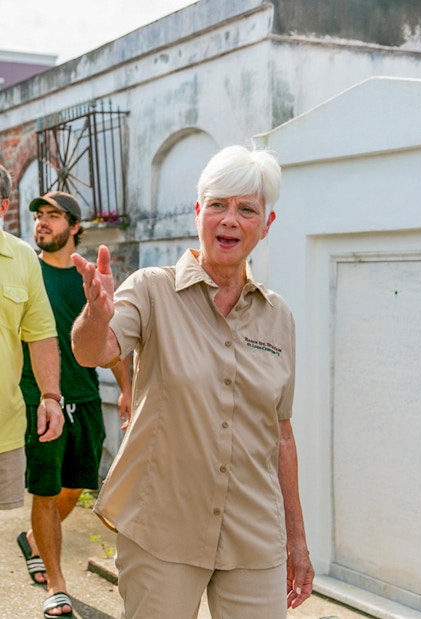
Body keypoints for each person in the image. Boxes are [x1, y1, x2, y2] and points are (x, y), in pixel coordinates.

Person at [71, 144, 315, 619]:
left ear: (266, 225)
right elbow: (93, 351)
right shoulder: (150, 290)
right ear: (198, 212)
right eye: (218, 204)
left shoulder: (278, 316)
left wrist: (298, 540)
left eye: (247, 209)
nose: (230, 219)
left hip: (254, 532)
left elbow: (281, 433)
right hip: (162, 528)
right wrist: (96, 316)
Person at [18, 191, 132, 619]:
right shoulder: (27, 270)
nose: (42, 223)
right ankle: (57, 583)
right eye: (38, 216)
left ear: (76, 227)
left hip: (84, 398)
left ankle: (33, 539)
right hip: (40, 399)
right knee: (45, 490)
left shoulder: (91, 277)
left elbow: (114, 336)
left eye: (53, 216)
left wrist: (127, 388)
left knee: (78, 486)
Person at [0, 165, 64, 513]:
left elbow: (40, 334)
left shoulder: (23, 257)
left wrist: (50, 397)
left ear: (3, 207)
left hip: (3, 429)